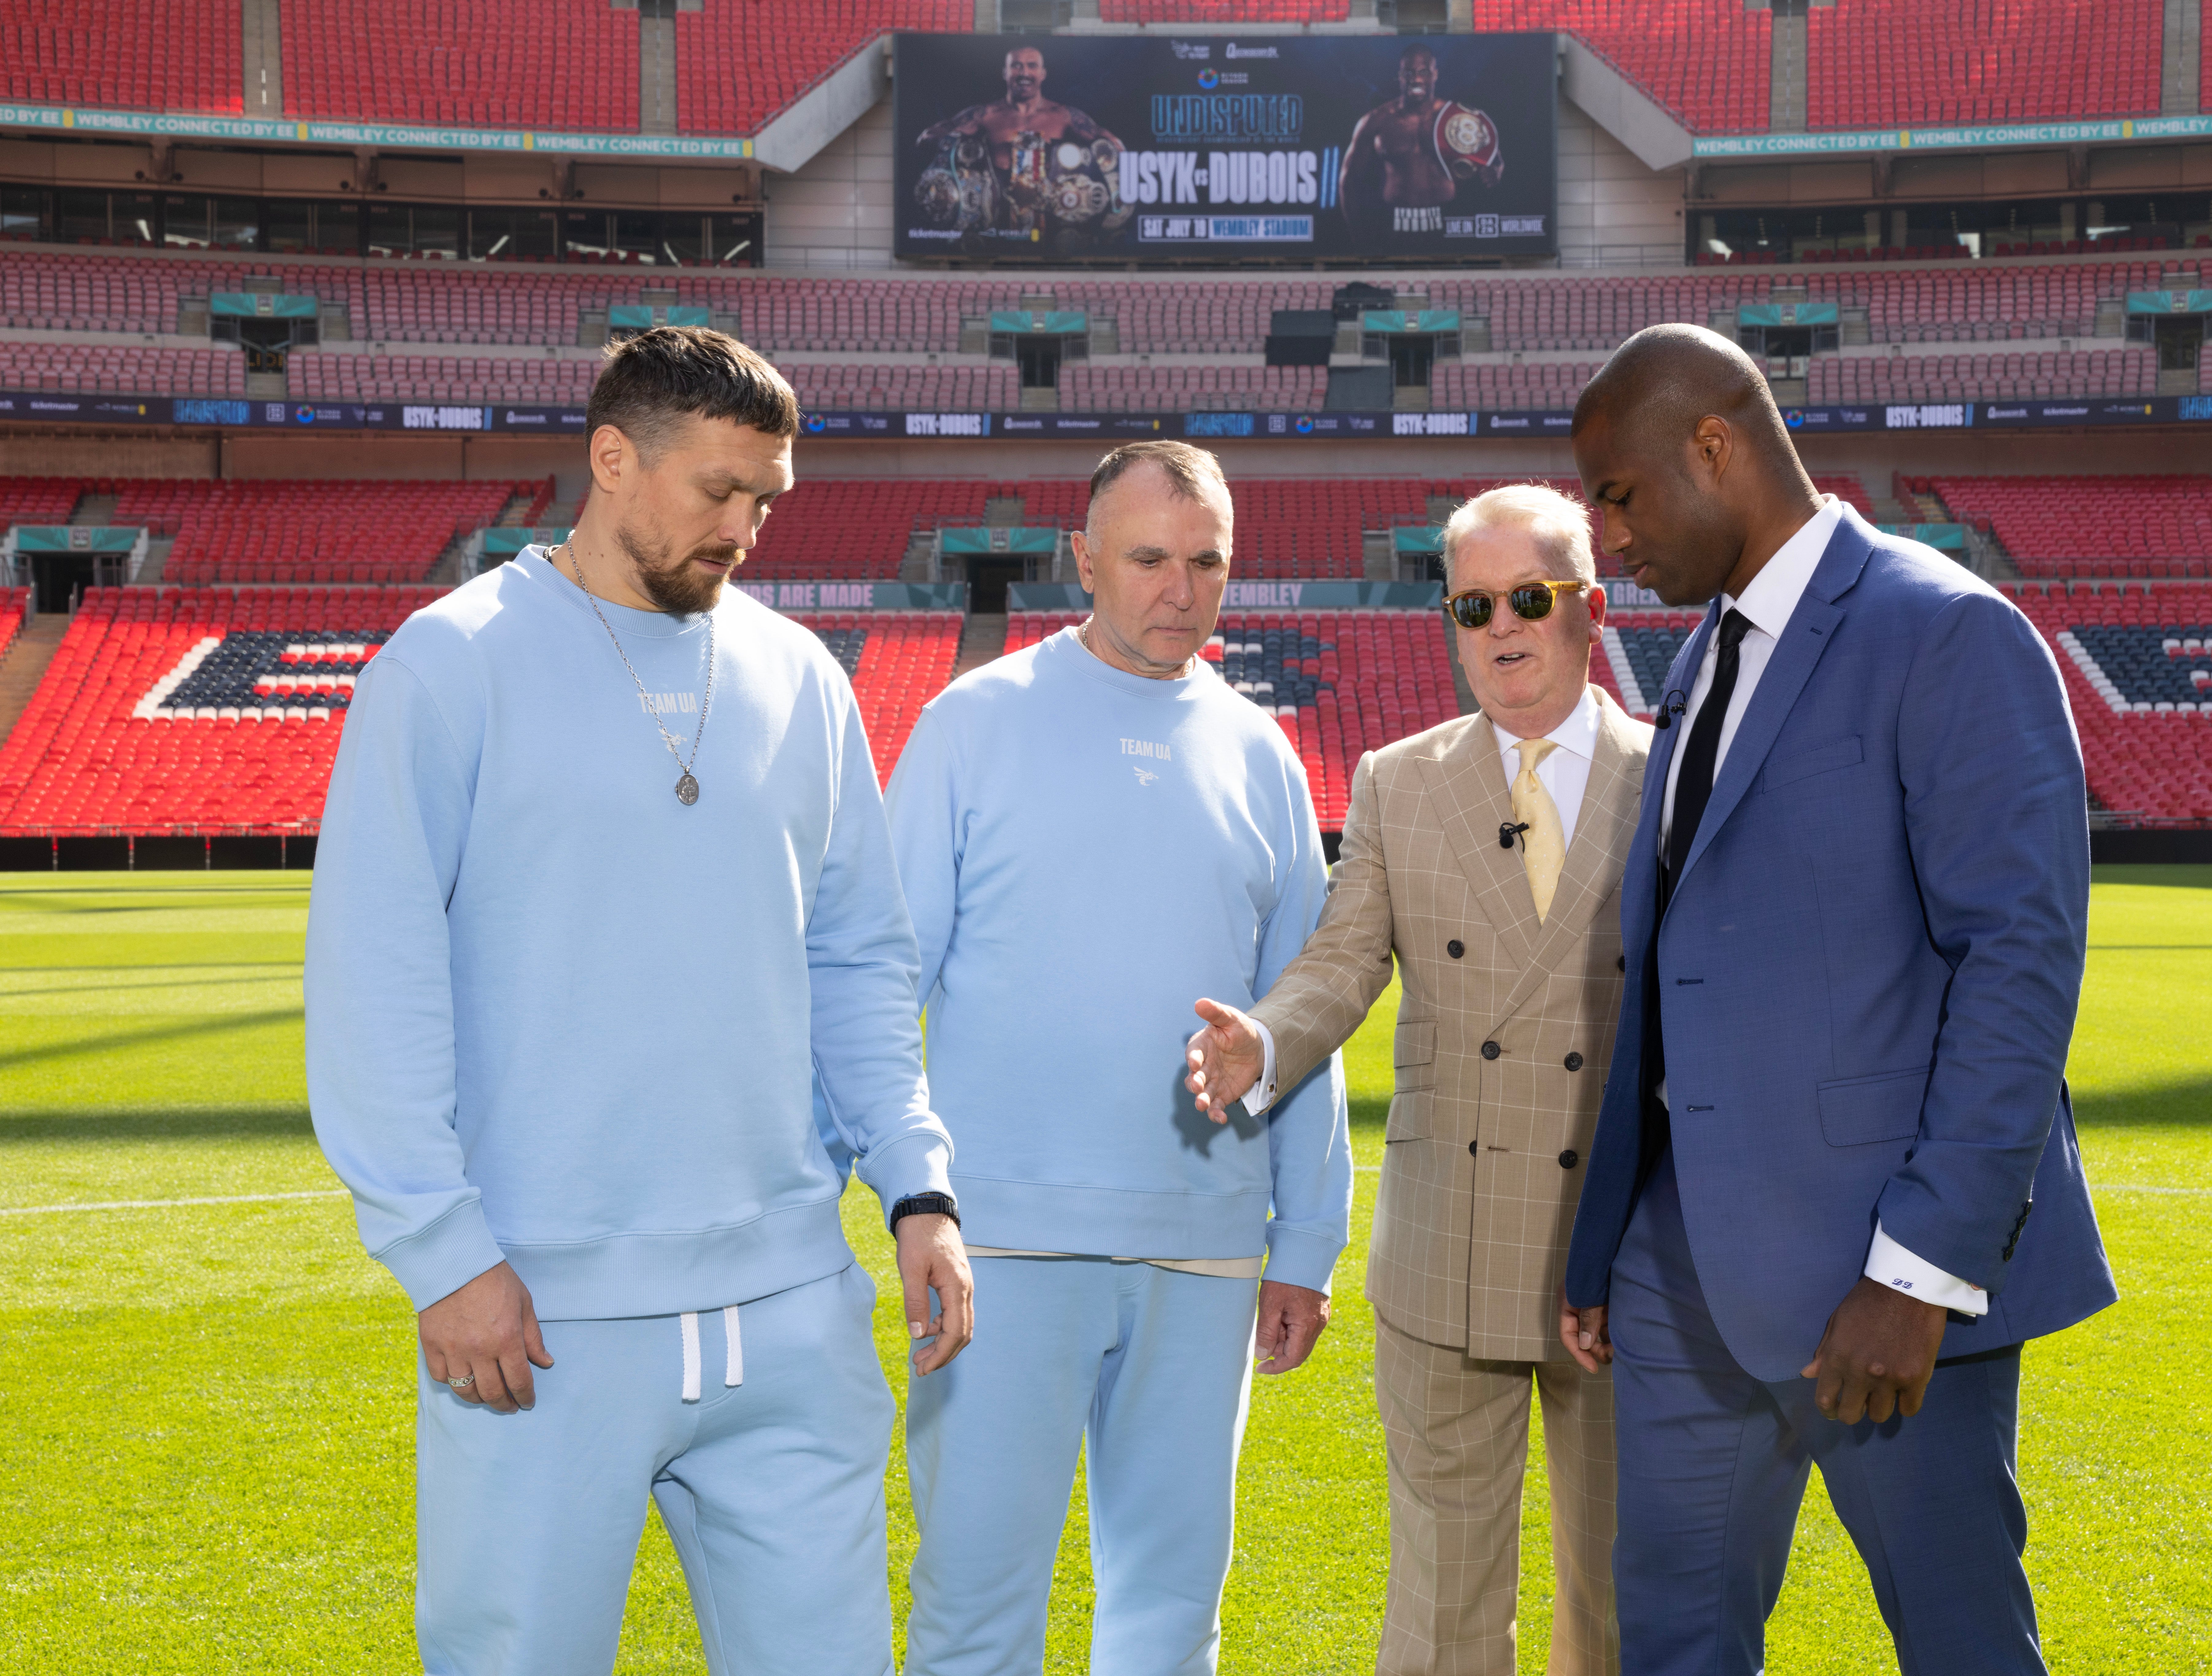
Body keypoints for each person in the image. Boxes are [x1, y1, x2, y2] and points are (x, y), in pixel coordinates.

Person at [304, 326, 973, 1675]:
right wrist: (445, 1256)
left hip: (793, 1307)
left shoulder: (802, 676)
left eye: (766, 499)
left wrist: (918, 1187)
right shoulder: (449, 666)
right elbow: (373, 979)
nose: (745, 528)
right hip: (541, 1314)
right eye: (718, 492)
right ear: (612, 460)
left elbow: (856, 961)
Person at [1559, 325, 2118, 1676]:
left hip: (1875, 1284)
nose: (1607, 541)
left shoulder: (1949, 633)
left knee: (1961, 1643)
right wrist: (1609, 1245)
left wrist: (1919, 1271)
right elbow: (1676, 964)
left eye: (1619, 494)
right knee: (1676, 1644)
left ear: (1717, 445)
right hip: (1681, 1278)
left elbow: (2019, 964)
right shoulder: (1703, 660)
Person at [883, 440, 1351, 1675]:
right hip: (1001, 1247)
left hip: (1202, 1248)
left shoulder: (1261, 753)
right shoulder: (970, 722)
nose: (1178, 590)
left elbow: (1304, 1011)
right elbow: (878, 984)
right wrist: (904, 1193)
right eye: (1148, 559)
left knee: (1167, 1617)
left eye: (1207, 563)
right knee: (976, 1608)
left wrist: (1304, 1241)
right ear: (1083, 558)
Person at [1185, 483, 1650, 1676]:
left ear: (1588, 609)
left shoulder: (1676, 775)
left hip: (1633, 1250)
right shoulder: (1397, 781)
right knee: (1440, 1614)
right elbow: (1342, 958)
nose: (1500, 626)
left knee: (1622, 1597)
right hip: (1450, 1251)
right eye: (1471, 603)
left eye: (1528, 598)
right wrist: (1266, 1040)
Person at [915, 44, 1124, 236]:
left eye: (1032, 66)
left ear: (1043, 74)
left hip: (1052, 227)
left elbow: (1112, 146)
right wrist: (945, 141)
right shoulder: (985, 115)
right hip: (998, 226)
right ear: (1005, 73)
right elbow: (928, 138)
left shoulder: (1064, 116)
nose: (1024, 73)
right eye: (1017, 66)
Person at [1340, 44, 1504, 236]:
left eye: (1424, 72)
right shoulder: (1377, 121)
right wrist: (1356, 235)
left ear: (1435, 74)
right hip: (1391, 222)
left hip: (1448, 220)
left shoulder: (1456, 117)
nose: (1416, 79)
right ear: (1400, 77)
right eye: (1409, 73)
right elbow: (1349, 182)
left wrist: (1497, 170)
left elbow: (1494, 155)